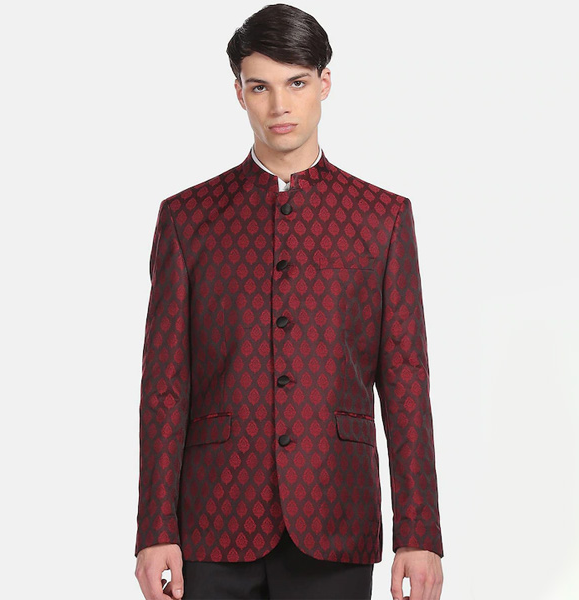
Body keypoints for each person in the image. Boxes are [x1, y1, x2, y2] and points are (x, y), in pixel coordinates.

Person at [134, 4, 444, 599]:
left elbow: (406, 379)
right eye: (261, 87)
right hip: (212, 520)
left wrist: (419, 533)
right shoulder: (187, 219)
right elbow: (164, 385)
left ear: (325, 83)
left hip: (336, 512)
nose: (280, 105)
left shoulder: (381, 218)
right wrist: (155, 529)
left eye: (296, 83)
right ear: (239, 93)